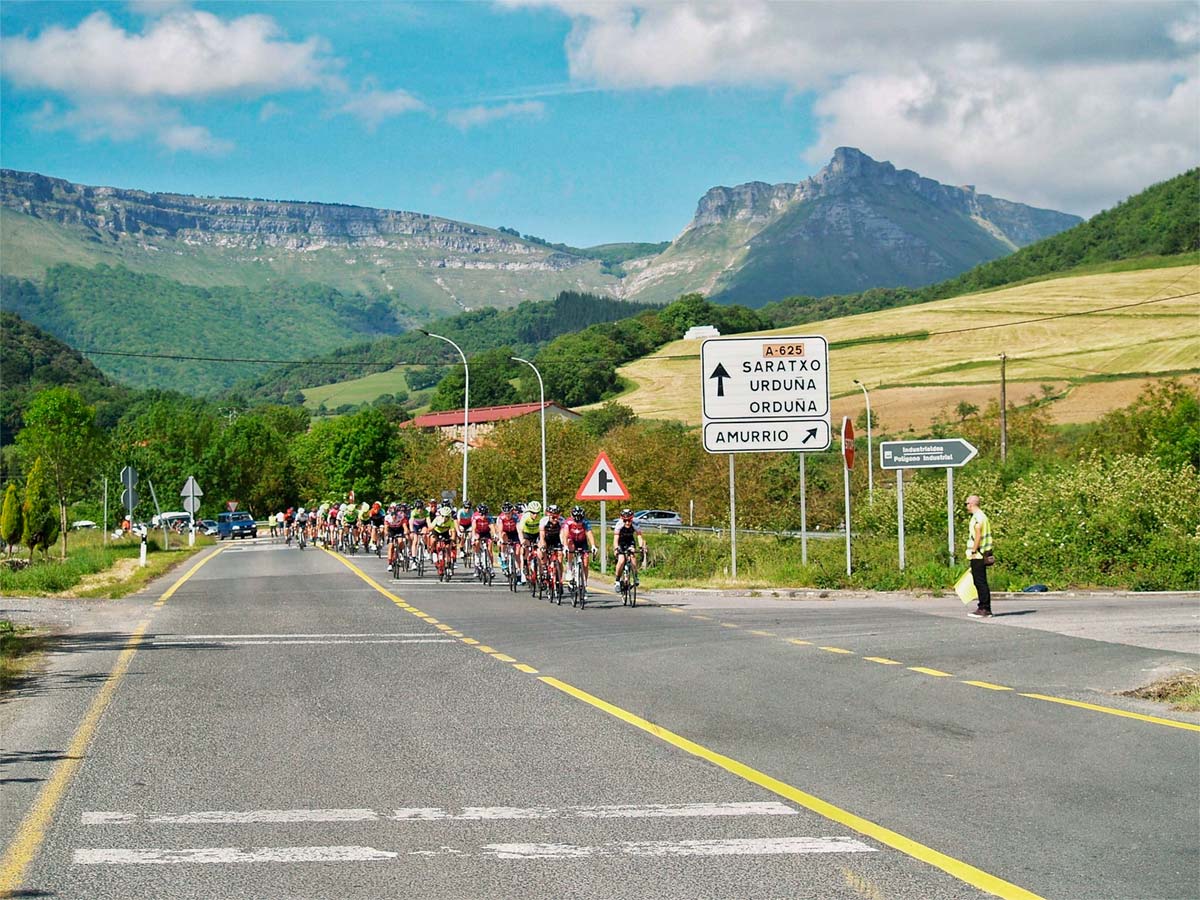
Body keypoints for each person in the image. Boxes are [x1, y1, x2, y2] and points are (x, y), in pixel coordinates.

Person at [966, 494, 993, 618]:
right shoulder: (983, 516)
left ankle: (984, 608)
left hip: (978, 554)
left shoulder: (977, 517)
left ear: (971, 504)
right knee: (981, 581)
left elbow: (978, 534)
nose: (966, 507)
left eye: (967, 504)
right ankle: (984, 607)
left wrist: (973, 550)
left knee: (980, 581)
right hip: (984, 552)